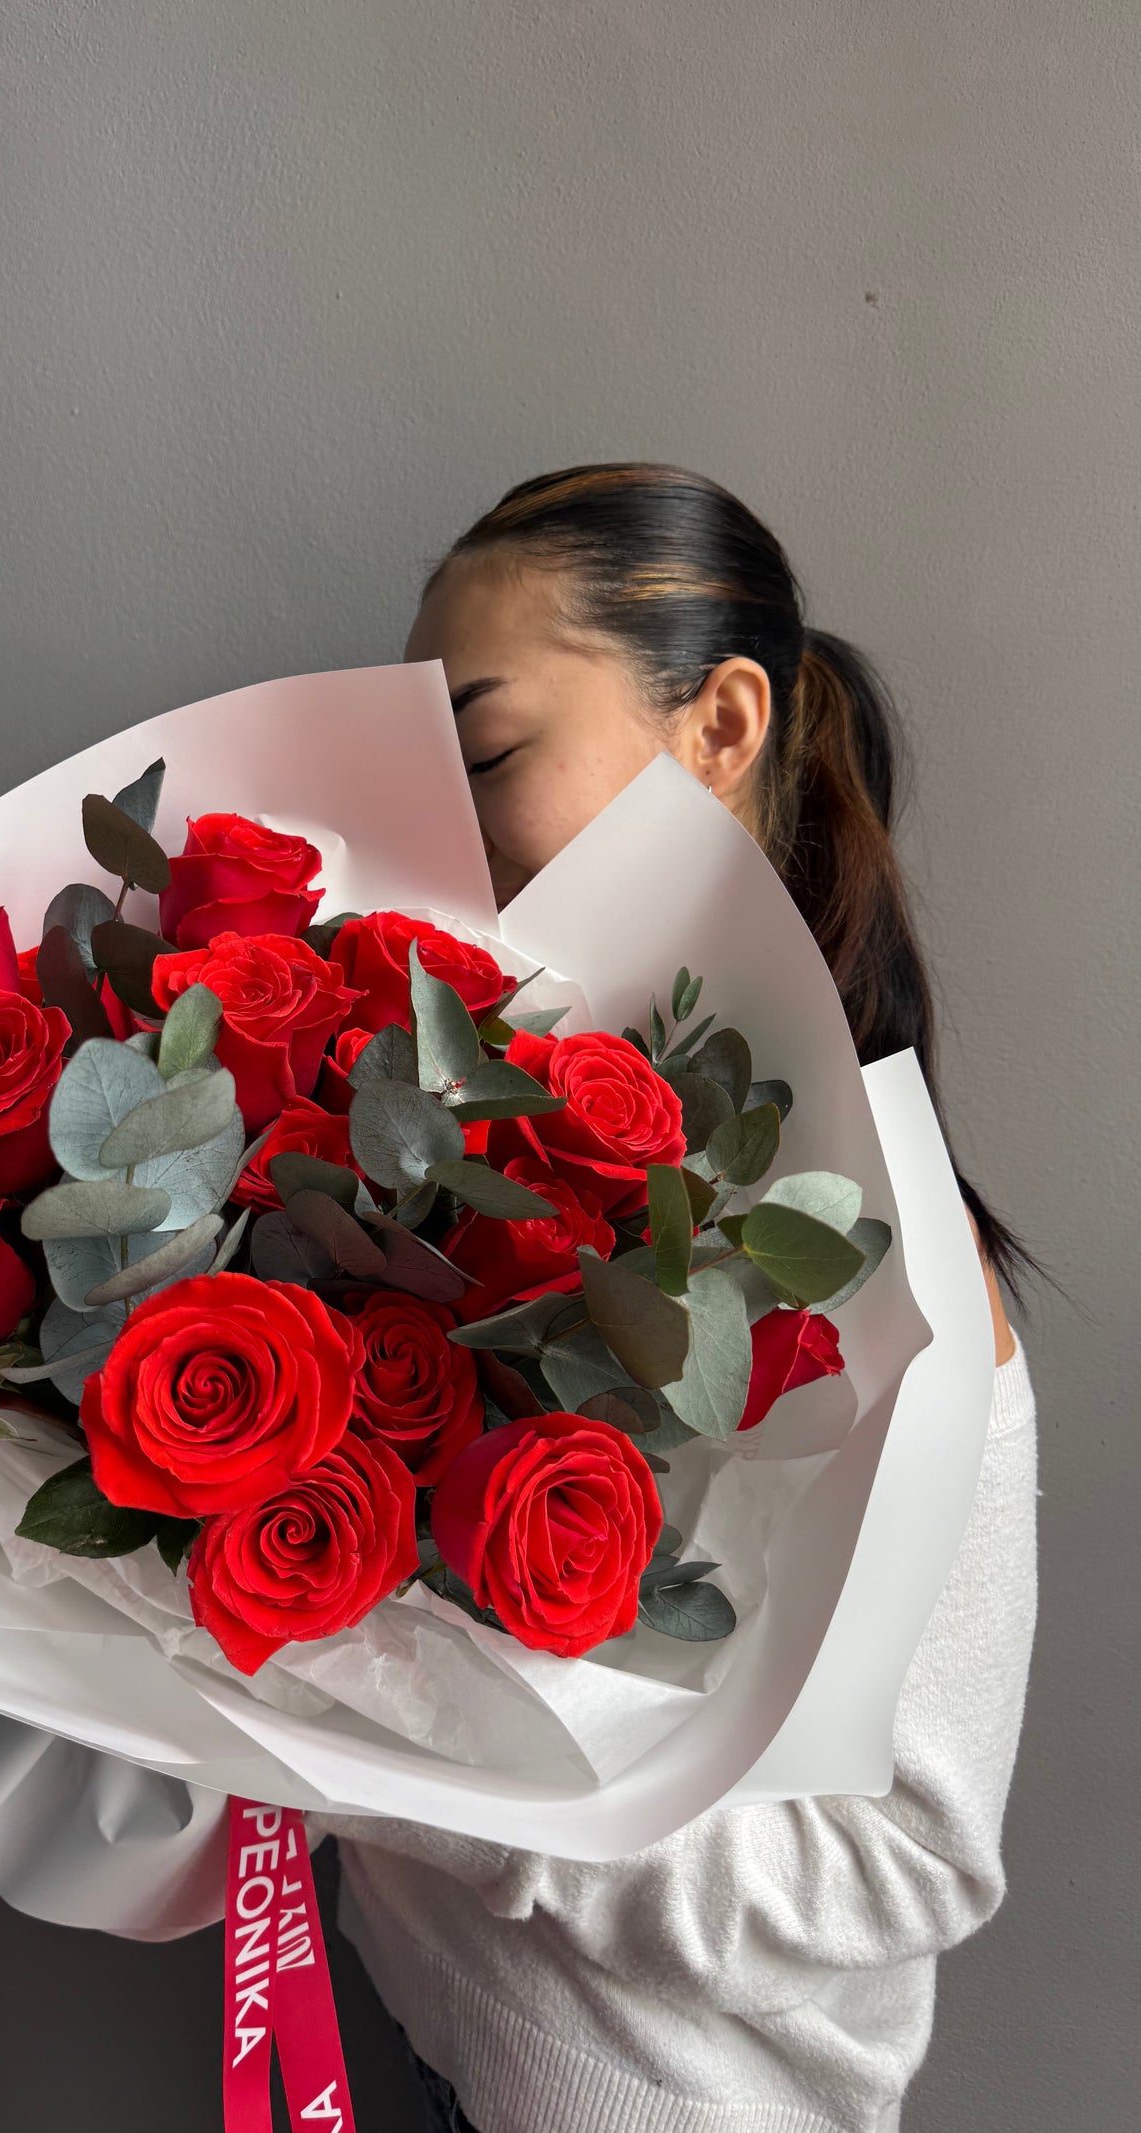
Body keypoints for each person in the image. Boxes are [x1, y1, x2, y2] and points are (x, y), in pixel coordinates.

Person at [311, 463, 1038, 2133]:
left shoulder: (894, 1286)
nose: (429, 825)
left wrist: (406, 1757)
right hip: (404, 2018)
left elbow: (895, 1863)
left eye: (484, 755)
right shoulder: (487, 1146)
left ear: (719, 725)